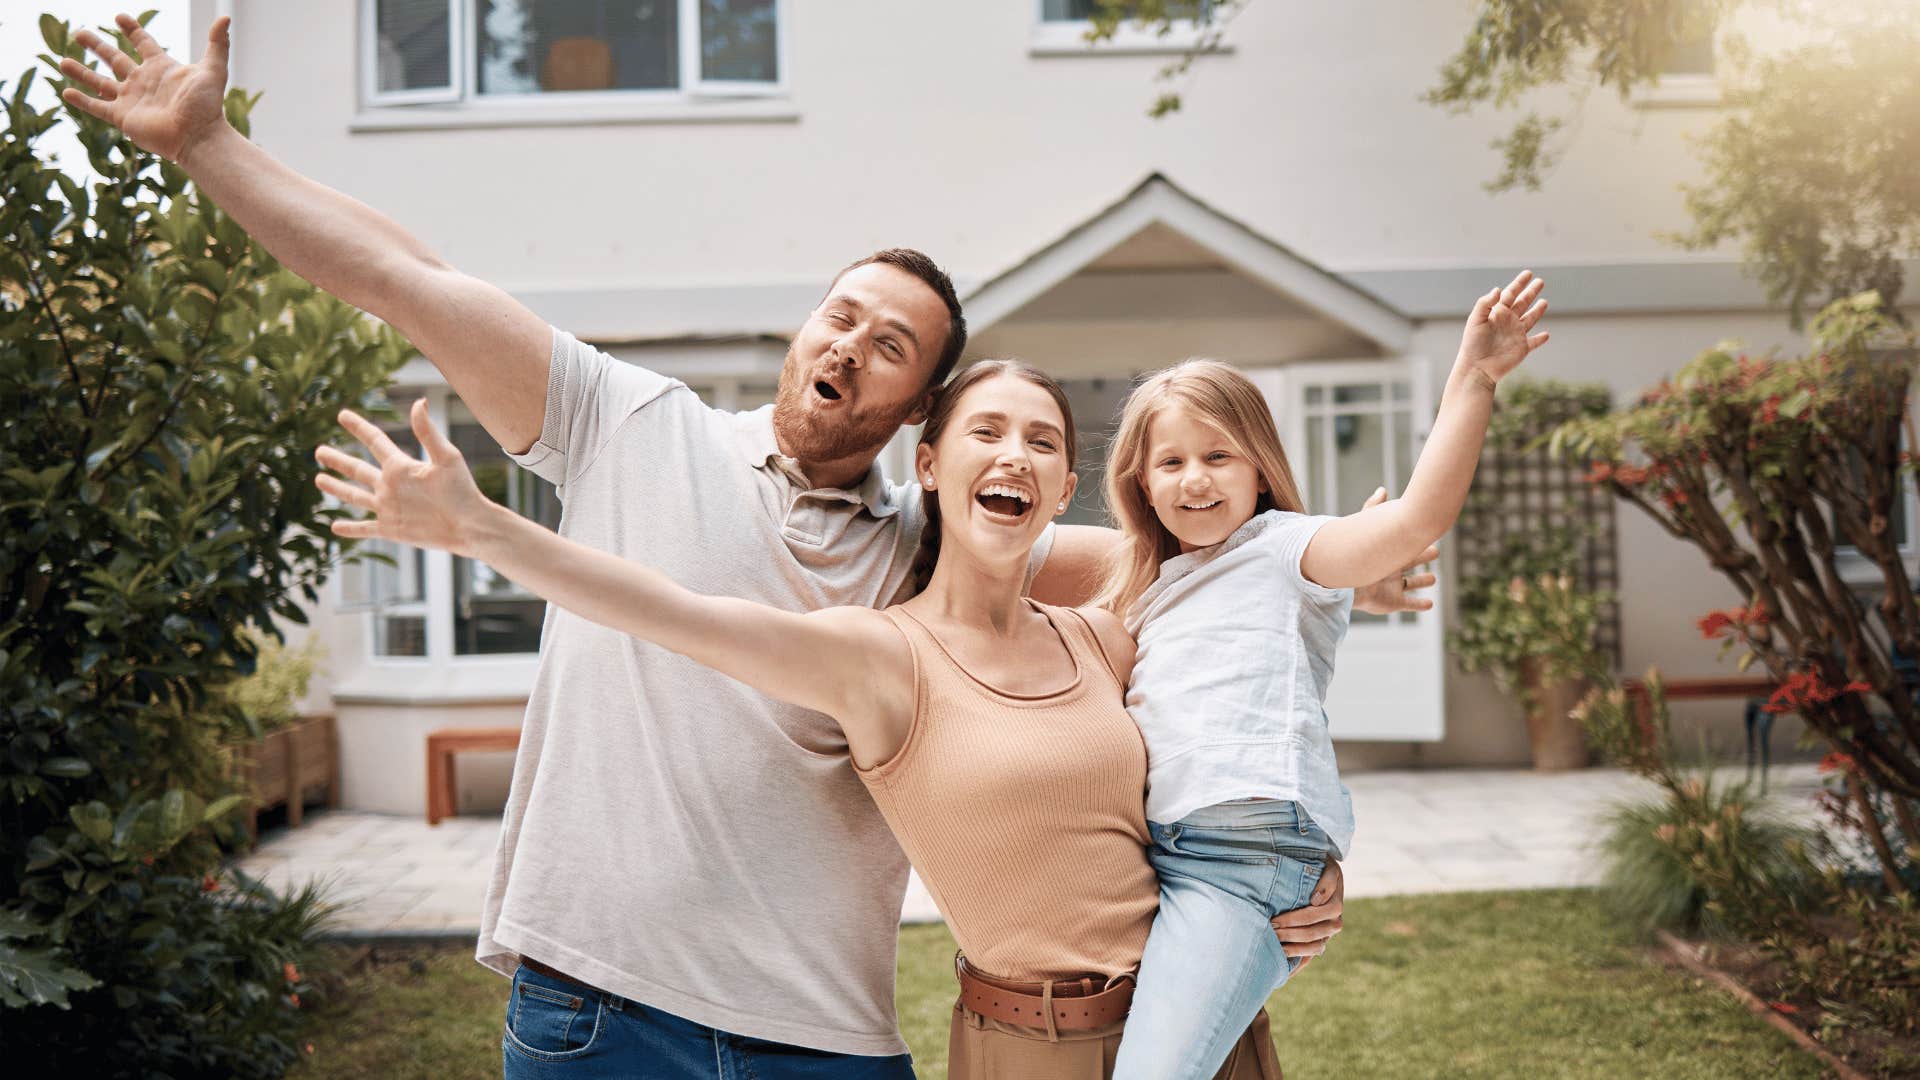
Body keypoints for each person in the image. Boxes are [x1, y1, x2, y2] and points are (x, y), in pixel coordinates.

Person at [61, 15, 1425, 1074]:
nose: (850, 345)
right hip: (597, 1012)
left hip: (826, 1035)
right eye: (840, 315)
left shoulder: (931, 549)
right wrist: (207, 147)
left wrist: (1348, 608)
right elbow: (408, 278)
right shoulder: (628, 424)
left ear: (916, 422)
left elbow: (1204, 578)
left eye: (892, 346)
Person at [323, 359, 1275, 1076]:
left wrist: (1290, 877)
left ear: (1065, 490)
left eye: (1042, 442)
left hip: (1199, 1012)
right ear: (931, 466)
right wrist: (483, 529)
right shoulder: (876, 656)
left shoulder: (1104, 640)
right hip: (1025, 1042)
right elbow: (676, 614)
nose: (1014, 456)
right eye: (988, 431)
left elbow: (1231, 725)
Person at [1098, 274, 1550, 1080]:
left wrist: (1471, 382)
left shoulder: (1284, 547)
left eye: (1217, 455)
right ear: (1140, 481)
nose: (1194, 478)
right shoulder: (1149, 591)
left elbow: (1414, 521)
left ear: (1260, 470)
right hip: (1172, 856)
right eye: (1169, 461)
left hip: (1246, 858)